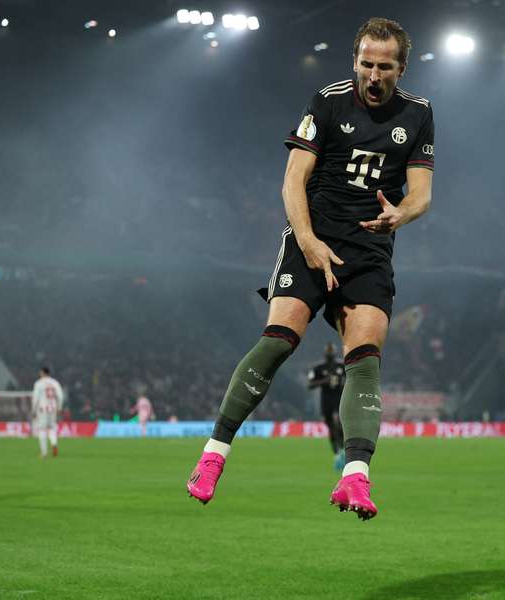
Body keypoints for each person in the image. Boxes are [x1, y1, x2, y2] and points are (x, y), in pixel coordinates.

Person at [186, 16, 434, 521]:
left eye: (385, 67)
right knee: (280, 339)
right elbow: (292, 181)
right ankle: (213, 456)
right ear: (355, 61)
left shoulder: (419, 114)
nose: (373, 75)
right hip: (311, 236)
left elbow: (421, 194)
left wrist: (401, 214)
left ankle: (354, 477)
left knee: (365, 359)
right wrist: (309, 242)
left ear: (401, 69)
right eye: (366, 63)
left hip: (369, 251)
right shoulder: (327, 102)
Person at [308, 343, 346, 470]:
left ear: (335, 352)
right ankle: (337, 453)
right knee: (331, 427)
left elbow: (351, 379)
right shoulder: (318, 368)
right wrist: (324, 381)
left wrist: (344, 383)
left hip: (339, 398)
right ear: (325, 354)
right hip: (326, 400)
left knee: (338, 423)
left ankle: (343, 449)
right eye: (328, 352)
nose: (330, 354)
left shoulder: (342, 366)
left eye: (332, 351)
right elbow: (310, 385)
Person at [32, 367, 64, 458]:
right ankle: (54, 443)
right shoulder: (55, 382)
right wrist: (59, 407)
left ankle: (44, 452)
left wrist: (33, 410)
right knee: (52, 428)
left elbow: (35, 398)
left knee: (42, 429)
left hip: (42, 409)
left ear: (42, 373)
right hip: (53, 408)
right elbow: (60, 396)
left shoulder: (39, 383)